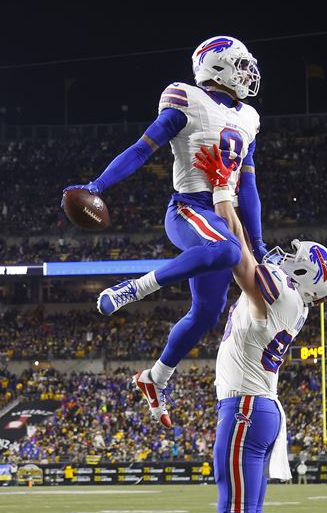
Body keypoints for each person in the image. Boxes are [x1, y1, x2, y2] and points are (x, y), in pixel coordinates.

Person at [62, 36, 265, 429]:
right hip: (188, 209)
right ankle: (133, 288)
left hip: (223, 215)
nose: (247, 74)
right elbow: (141, 149)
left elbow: (250, 187)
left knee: (208, 312)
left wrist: (258, 245)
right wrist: (97, 186)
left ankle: (156, 377)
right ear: (216, 66)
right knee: (227, 250)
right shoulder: (185, 98)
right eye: (239, 65)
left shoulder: (249, 118)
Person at [195, 141, 327, 513]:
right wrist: (240, 174)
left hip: (246, 407)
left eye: (296, 257)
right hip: (260, 407)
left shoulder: (280, 292)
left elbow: (239, 254)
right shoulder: (292, 301)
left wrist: (222, 194)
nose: (286, 254)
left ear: (303, 276)